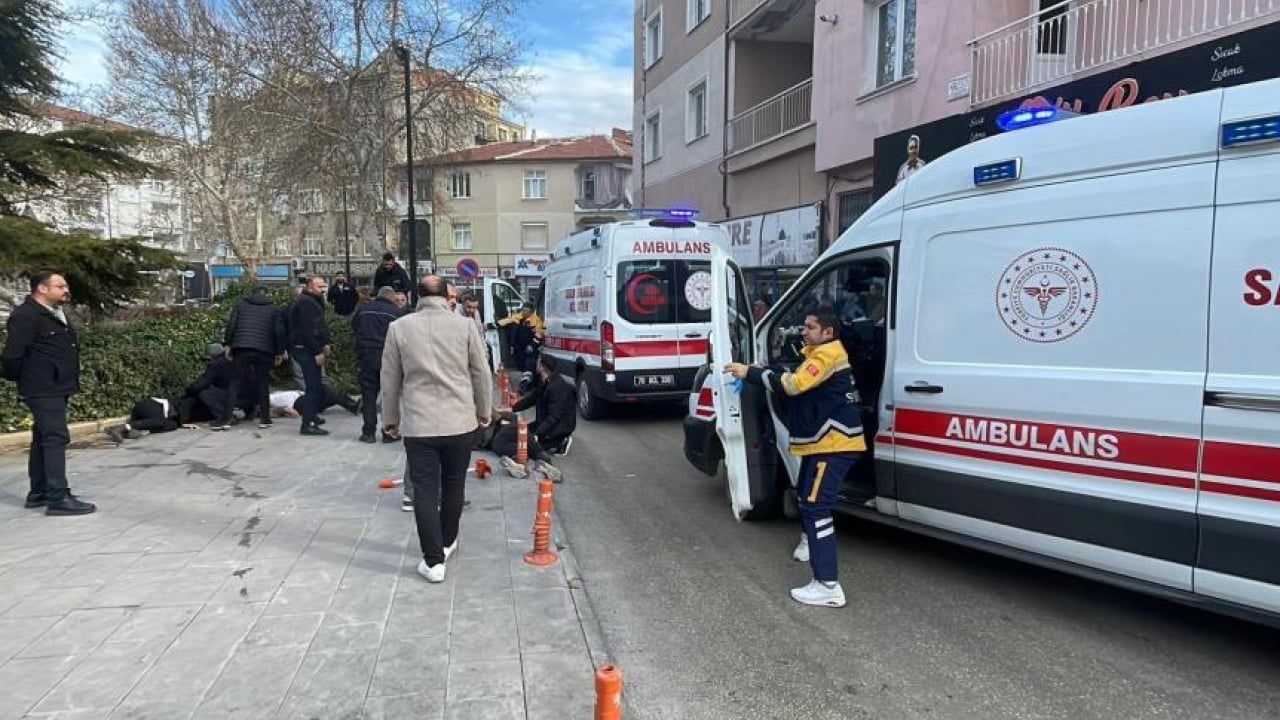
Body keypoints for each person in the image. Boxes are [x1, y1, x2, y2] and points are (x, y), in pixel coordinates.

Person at [725, 310, 866, 608]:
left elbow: (794, 385)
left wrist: (750, 372)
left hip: (833, 445)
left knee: (817, 507)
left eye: (810, 327)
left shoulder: (824, 356)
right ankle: (808, 543)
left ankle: (827, 585)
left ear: (827, 332)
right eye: (804, 326)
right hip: (824, 444)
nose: (803, 331)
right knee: (805, 494)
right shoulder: (821, 352)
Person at [381, 275, 492, 583]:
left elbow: (389, 379)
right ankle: (447, 541)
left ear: (417, 296)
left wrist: (390, 420)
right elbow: (482, 373)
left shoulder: (399, 328)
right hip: (459, 422)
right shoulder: (466, 326)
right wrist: (484, 412)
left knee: (425, 491)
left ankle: (433, 561)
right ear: (447, 296)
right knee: (455, 484)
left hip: (420, 425)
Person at [1, 271, 96, 515]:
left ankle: (39, 492)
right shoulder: (26, 315)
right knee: (55, 437)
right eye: (60, 286)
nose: (66, 290)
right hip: (41, 387)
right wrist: (24, 379)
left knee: (43, 437)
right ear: (42, 289)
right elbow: (12, 355)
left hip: (56, 385)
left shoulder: (54, 313)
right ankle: (57, 497)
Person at [218, 286, 287, 431]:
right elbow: (279, 331)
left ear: (252, 294)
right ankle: (265, 418)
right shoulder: (274, 309)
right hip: (264, 349)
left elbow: (231, 326)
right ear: (267, 294)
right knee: (263, 384)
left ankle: (226, 418)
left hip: (241, 348)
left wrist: (228, 344)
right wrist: (280, 351)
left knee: (235, 383)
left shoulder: (240, 306)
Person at [351, 286, 402, 443]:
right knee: (389, 397)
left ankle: (368, 432)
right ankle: (389, 432)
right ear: (392, 298)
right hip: (388, 357)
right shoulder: (395, 313)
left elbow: (354, 327)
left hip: (366, 356)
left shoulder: (363, 309)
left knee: (368, 395)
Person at [289, 275, 332, 436]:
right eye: (319, 287)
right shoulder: (307, 303)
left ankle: (311, 415)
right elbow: (309, 330)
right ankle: (307, 424)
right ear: (310, 287)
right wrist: (317, 351)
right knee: (313, 387)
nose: (323, 290)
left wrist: (326, 342)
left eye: (324, 286)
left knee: (315, 386)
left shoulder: (310, 301)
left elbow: (320, 325)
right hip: (306, 349)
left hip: (305, 347)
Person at [512, 354, 576, 457]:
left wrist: (537, 433)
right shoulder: (543, 381)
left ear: (542, 367)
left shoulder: (557, 387)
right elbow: (532, 399)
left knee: (530, 448)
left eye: (538, 363)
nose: (536, 365)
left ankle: (562, 440)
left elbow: (554, 417)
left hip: (559, 426)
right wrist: (512, 408)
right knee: (519, 436)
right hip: (543, 422)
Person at [497, 302, 544, 372]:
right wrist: (489, 326)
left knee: (529, 366)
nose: (524, 313)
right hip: (518, 347)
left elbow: (539, 335)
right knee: (520, 365)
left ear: (531, 312)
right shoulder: (517, 317)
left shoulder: (537, 321)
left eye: (527, 311)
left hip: (530, 348)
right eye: (523, 310)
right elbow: (504, 322)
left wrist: (532, 345)